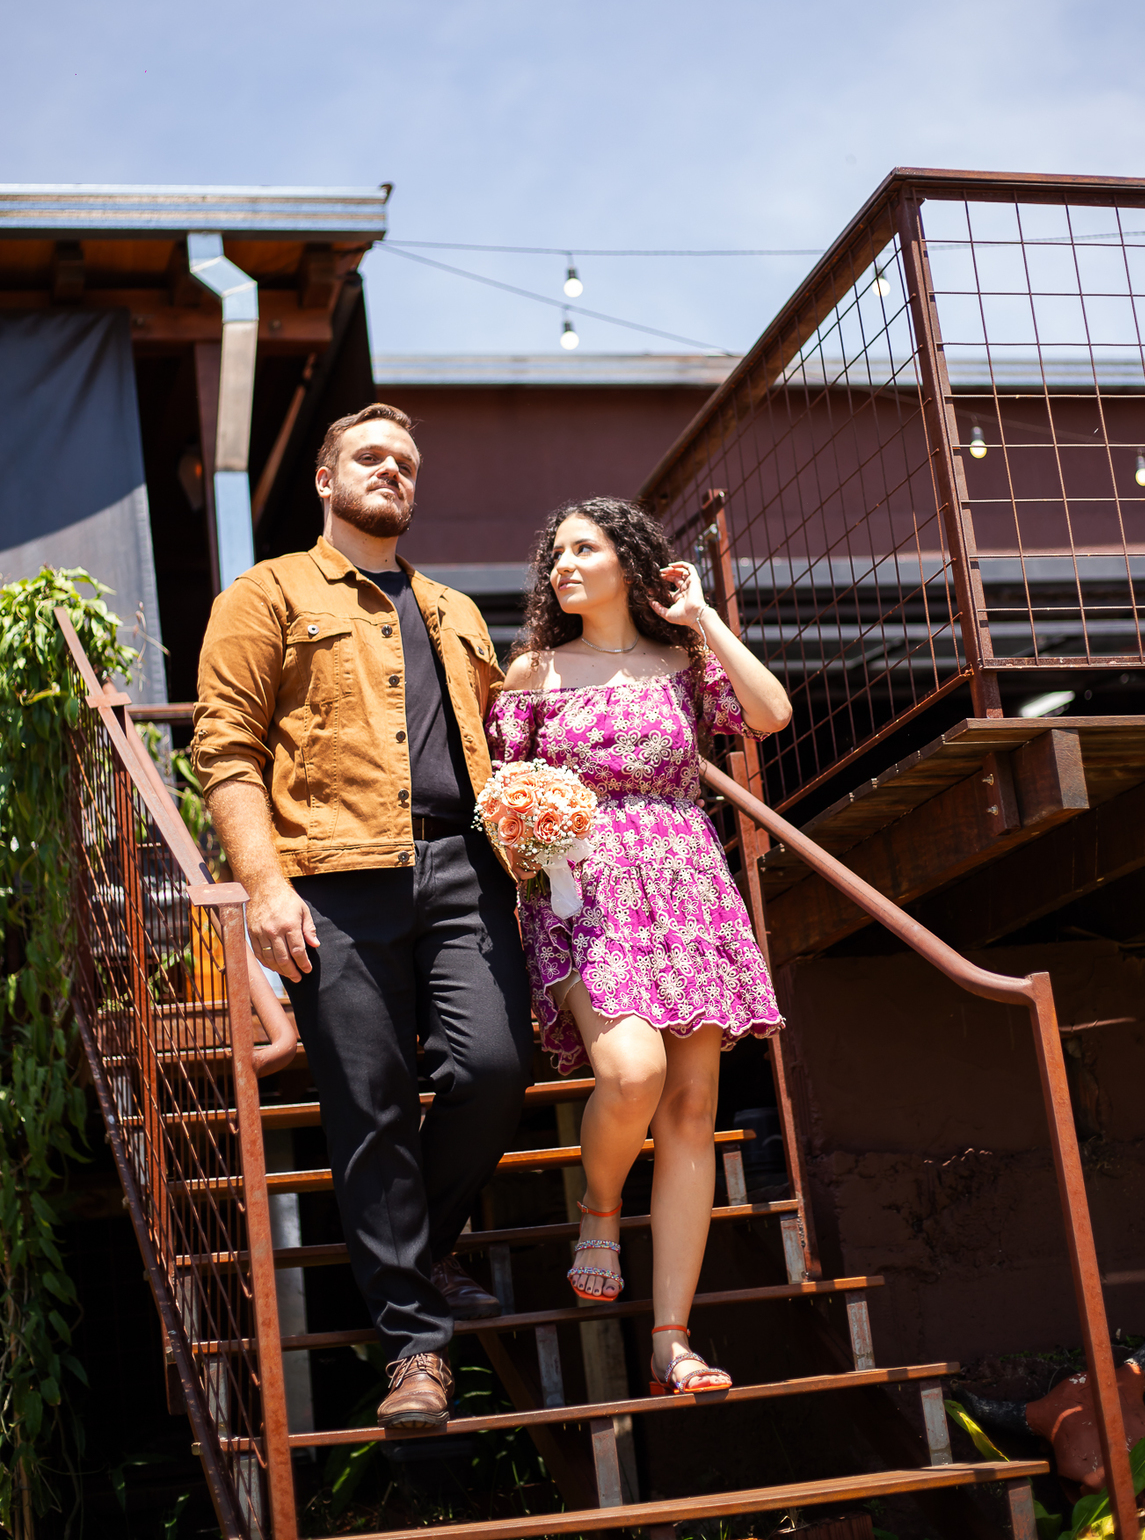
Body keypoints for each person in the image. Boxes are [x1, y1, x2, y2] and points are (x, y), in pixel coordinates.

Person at [192, 402, 532, 1433]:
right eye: (371, 457)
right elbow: (226, 749)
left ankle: (419, 1251)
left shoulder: (455, 610)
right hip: (335, 878)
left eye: (406, 463)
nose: (392, 472)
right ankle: (416, 1352)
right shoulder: (267, 594)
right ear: (325, 480)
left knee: (493, 1069)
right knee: (371, 1104)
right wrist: (263, 886)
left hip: (465, 869)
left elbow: (504, 731)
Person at [485, 496, 791, 1396]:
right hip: (585, 892)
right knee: (630, 1074)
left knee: (692, 1108)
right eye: (555, 554)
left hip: (687, 886)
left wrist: (702, 619)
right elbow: (502, 797)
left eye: (583, 549)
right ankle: (600, 1206)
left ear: (630, 561)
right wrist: (533, 845)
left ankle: (672, 1343)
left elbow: (770, 713)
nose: (562, 566)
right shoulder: (534, 673)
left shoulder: (683, 660)